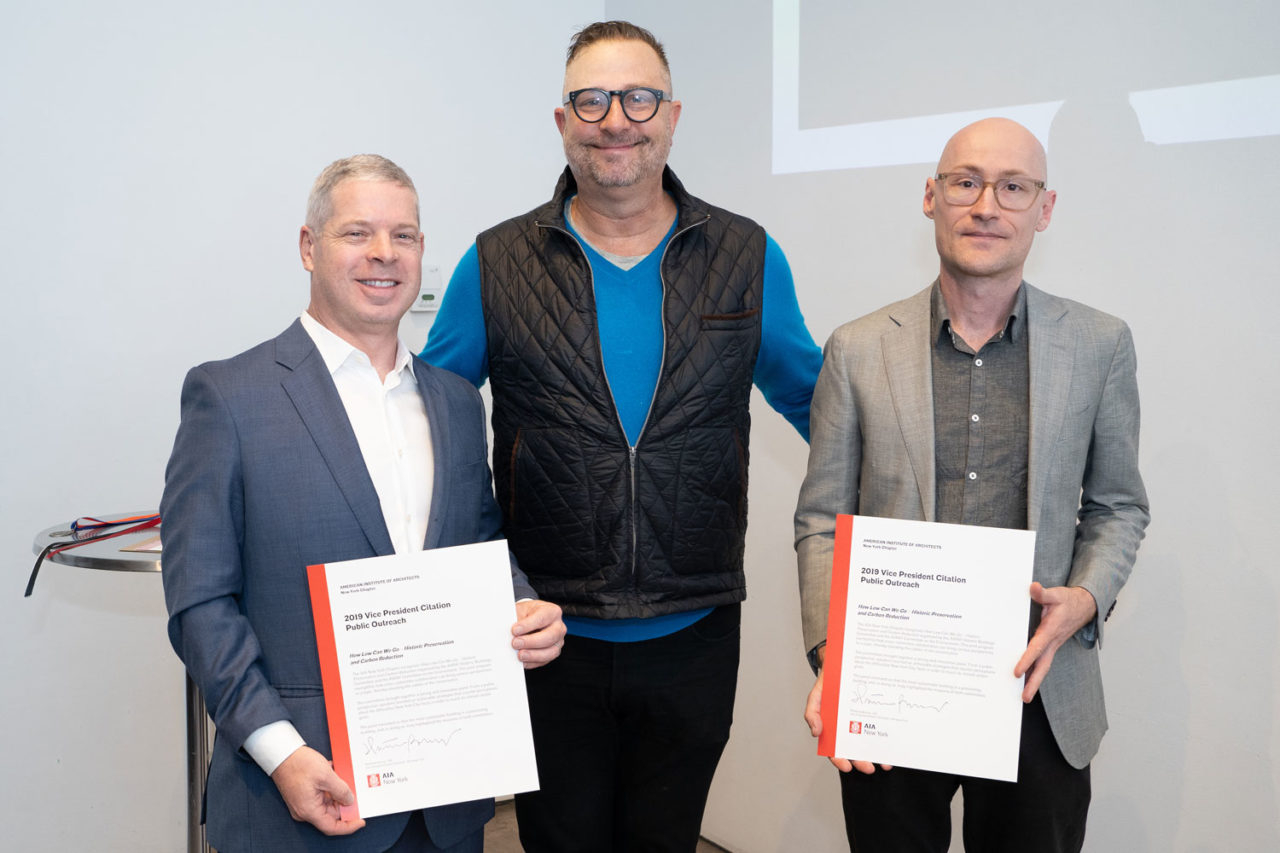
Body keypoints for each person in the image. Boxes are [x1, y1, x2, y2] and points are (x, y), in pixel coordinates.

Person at [421, 20, 822, 853]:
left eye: (638, 98)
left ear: (671, 115)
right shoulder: (496, 262)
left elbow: (820, 404)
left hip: (695, 630)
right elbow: (426, 418)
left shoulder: (744, 254)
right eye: (591, 100)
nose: (616, 119)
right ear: (562, 121)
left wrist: (923, 515)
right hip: (545, 639)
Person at [160, 154, 566, 853]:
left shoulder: (456, 402)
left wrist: (525, 607)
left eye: (403, 235)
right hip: (300, 797)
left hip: (446, 804)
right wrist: (280, 751)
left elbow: (480, 547)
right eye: (358, 233)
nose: (384, 253)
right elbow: (200, 603)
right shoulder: (228, 396)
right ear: (309, 247)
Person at [795, 118, 1149, 852]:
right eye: (966, 182)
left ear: (1043, 210)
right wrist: (836, 660)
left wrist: (1082, 599)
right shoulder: (858, 349)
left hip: (1039, 686)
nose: (987, 205)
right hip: (894, 685)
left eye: (1013, 187)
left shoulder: (1099, 344)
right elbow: (824, 520)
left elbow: (1118, 506)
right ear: (931, 197)